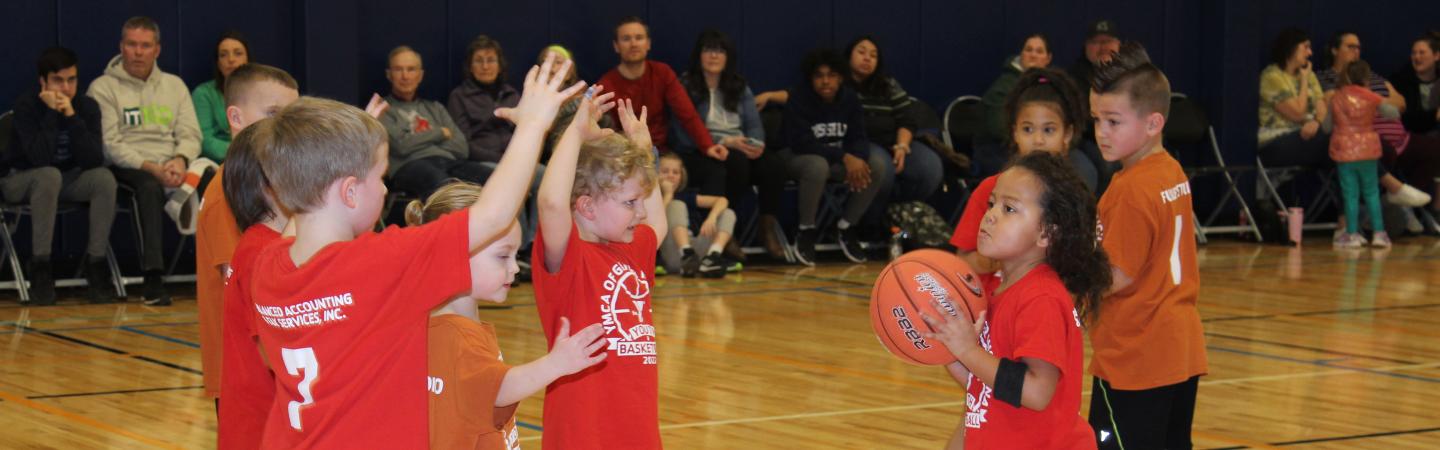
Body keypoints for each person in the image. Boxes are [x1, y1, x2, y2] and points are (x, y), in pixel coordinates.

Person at [246, 54, 582, 448]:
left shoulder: (268, 265)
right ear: (350, 191)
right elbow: (493, 216)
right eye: (380, 176)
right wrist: (533, 125)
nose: (385, 189)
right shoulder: (377, 264)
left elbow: (299, 212)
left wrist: (334, 147)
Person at [922, 152, 1106, 450]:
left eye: (1009, 208)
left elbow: (1036, 391)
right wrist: (954, 350)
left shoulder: (1040, 298)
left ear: (1046, 233)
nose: (991, 215)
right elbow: (990, 384)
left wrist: (968, 349)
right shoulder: (1002, 290)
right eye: (991, 203)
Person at [405, 182, 607, 449]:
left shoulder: (442, 325)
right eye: (502, 256)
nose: (514, 268)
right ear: (454, 255)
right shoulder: (455, 336)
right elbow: (499, 389)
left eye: (514, 255)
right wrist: (557, 363)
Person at [1086, 42, 1207, 450]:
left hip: (1134, 358)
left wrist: (1060, 274)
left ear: (1154, 122)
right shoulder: (1170, 170)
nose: (1101, 132)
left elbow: (1114, 275)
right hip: (1177, 347)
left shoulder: (1131, 190)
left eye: (1114, 121)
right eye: (1096, 119)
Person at [532, 90, 668, 449]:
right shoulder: (569, 258)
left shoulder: (630, 250)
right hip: (583, 434)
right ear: (587, 206)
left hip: (637, 430)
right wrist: (574, 134)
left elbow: (659, 225)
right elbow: (549, 202)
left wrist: (644, 152)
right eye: (629, 202)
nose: (640, 213)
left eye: (640, 201)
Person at [192, 63, 298, 439]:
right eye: (273, 115)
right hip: (246, 371)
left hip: (266, 367)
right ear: (235, 117)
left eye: (292, 117)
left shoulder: (269, 188)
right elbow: (244, 283)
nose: (287, 129)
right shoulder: (228, 193)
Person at [89, 16, 209, 305]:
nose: (138, 52)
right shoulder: (103, 88)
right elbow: (109, 144)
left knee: (216, 181)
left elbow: (191, 133)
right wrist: (151, 167)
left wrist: (180, 160)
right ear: (121, 47)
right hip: (129, 168)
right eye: (132, 44)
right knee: (148, 187)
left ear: (157, 49)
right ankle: (153, 279)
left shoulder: (174, 85)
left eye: (145, 45)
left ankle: (222, 271)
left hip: (173, 164)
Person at [951, 68, 1096, 274]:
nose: (1038, 140)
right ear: (1015, 133)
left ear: (1068, 134)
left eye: (1049, 130)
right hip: (993, 301)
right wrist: (1010, 256)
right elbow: (962, 263)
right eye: (1028, 129)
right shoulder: (991, 189)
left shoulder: (1075, 197)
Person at [4, 47, 117, 306]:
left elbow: (92, 159)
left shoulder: (86, 107)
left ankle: (96, 263)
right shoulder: (27, 106)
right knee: (48, 175)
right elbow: (39, 158)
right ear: (43, 81)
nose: (66, 88)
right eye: (58, 80)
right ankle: (41, 267)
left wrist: (71, 116)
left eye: (72, 80)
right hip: (19, 180)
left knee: (103, 179)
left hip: (64, 181)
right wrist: (52, 114)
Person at [779, 49, 894, 265]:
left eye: (831, 75)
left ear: (841, 77)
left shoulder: (849, 99)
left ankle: (846, 226)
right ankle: (805, 230)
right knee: (817, 166)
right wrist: (844, 157)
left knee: (876, 164)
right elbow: (802, 142)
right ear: (811, 78)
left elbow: (859, 136)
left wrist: (857, 159)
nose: (825, 81)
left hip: (834, 159)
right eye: (819, 76)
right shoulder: (799, 98)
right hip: (796, 157)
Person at [1317, 31, 1434, 230]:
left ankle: (1401, 204)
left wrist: (1373, 99)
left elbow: (1401, 104)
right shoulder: (1326, 77)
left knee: (1433, 148)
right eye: (1350, 46)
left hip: (1398, 136)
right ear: (1335, 50)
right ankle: (1360, 221)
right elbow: (1330, 104)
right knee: (1378, 150)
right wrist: (1372, 100)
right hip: (1359, 139)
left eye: (1358, 47)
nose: (1356, 51)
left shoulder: (1370, 75)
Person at [598, 16, 721, 156]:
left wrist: (708, 146)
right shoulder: (605, 85)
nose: (633, 44)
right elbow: (604, 134)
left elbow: (687, 114)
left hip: (661, 152)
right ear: (616, 46)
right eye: (626, 39)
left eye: (639, 38)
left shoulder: (662, 73)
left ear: (648, 44)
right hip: (625, 155)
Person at [380, 46, 490, 198]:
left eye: (411, 69)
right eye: (398, 69)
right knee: (444, 186)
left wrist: (417, 141)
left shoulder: (436, 108)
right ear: (389, 74)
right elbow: (401, 146)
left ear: (420, 75)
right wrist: (440, 133)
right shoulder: (382, 110)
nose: (405, 76)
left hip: (447, 162)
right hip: (408, 167)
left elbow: (462, 148)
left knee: (493, 178)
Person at [673, 29, 765, 213]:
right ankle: (724, 223)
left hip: (739, 144)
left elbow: (754, 124)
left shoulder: (739, 85)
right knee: (736, 163)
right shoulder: (685, 85)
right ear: (699, 55)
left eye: (721, 51)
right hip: (701, 148)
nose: (714, 56)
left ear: (728, 57)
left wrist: (756, 143)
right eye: (708, 50)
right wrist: (724, 141)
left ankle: (767, 226)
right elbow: (683, 131)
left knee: (773, 166)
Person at [845, 35, 943, 203]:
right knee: (882, 168)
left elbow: (907, 119)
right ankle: (871, 219)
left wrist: (902, 146)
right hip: (861, 143)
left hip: (894, 140)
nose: (867, 58)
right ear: (848, 56)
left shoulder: (888, 84)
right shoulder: (838, 84)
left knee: (930, 169)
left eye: (873, 55)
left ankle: (895, 208)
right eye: (861, 52)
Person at [1330, 60, 1390, 248]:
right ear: (1366, 77)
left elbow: (1325, 126)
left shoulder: (1336, 97)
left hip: (1345, 150)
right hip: (1368, 149)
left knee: (1350, 194)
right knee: (1372, 192)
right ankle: (1379, 233)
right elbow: (1393, 112)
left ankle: (1351, 233)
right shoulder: (1372, 97)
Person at [1258, 28, 1329, 169]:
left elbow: (1322, 109)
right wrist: (1303, 80)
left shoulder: (1310, 74)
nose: (1310, 53)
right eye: (1306, 47)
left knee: (1354, 142)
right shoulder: (1272, 76)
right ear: (1291, 47)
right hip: (1277, 140)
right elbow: (1298, 114)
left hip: (1308, 135)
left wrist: (1317, 122)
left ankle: (1381, 186)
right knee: (1344, 144)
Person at [656, 152, 736, 278]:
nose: (671, 176)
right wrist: (668, 195)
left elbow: (722, 200)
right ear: (655, 174)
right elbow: (654, 220)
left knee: (727, 212)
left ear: (682, 176)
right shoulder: (650, 198)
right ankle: (686, 253)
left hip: (697, 253)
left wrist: (712, 218)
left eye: (675, 172)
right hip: (672, 252)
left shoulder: (686, 195)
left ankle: (712, 257)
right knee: (676, 204)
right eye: (665, 171)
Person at [448, 35, 520, 163]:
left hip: (517, 159)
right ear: (470, 67)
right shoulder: (459, 96)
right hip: (482, 162)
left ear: (500, 66)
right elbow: (463, 144)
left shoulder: (512, 94)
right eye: (479, 61)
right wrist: (500, 160)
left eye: (491, 60)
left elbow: (524, 134)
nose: (485, 66)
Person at [982, 34, 1054, 144]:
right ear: (1021, 54)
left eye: (1039, 51)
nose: (1033, 55)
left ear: (1048, 58)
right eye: (1028, 50)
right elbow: (998, 129)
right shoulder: (1003, 87)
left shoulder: (1053, 85)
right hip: (1002, 149)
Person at [192, 31, 249, 162]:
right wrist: (242, 153)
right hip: (218, 162)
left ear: (248, 59)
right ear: (218, 63)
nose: (231, 59)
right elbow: (204, 139)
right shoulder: (203, 93)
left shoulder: (262, 91)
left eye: (238, 53)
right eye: (223, 55)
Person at [1391, 33, 1440, 135]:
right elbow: (1405, 120)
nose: (1417, 57)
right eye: (1414, 53)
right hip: (1412, 142)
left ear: (1436, 56)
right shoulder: (1400, 82)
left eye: (1422, 53)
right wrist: (1436, 115)